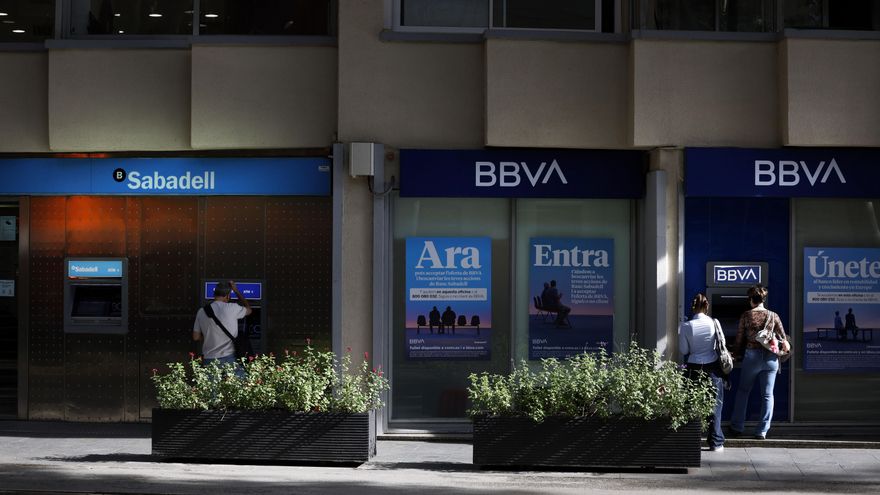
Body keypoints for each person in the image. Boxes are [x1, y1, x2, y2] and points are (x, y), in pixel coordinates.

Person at [729, 284, 789, 440]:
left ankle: (737, 427)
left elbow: (739, 339)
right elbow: (784, 338)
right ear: (763, 299)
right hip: (771, 358)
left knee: (743, 391)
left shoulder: (746, 316)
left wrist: (733, 353)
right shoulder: (773, 316)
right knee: (768, 395)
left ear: (751, 300)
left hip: (752, 357)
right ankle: (762, 431)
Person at [678, 293, 725, 452]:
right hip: (712, 367)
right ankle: (716, 442)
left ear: (693, 307)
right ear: (707, 306)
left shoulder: (686, 326)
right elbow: (722, 344)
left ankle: (689, 439)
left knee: (690, 403)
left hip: (693, 368)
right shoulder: (714, 322)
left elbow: (683, 350)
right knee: (715, 404)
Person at [193, 281, 252, 373]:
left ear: (214, 294)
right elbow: (249, 310)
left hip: (209, 358)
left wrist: (209, 335)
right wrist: (236, 290)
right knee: (239, 386)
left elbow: (196, 337)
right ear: (228, 296)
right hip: (230, 357)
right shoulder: (233, 307)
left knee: (211, 387)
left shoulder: (201, 311)